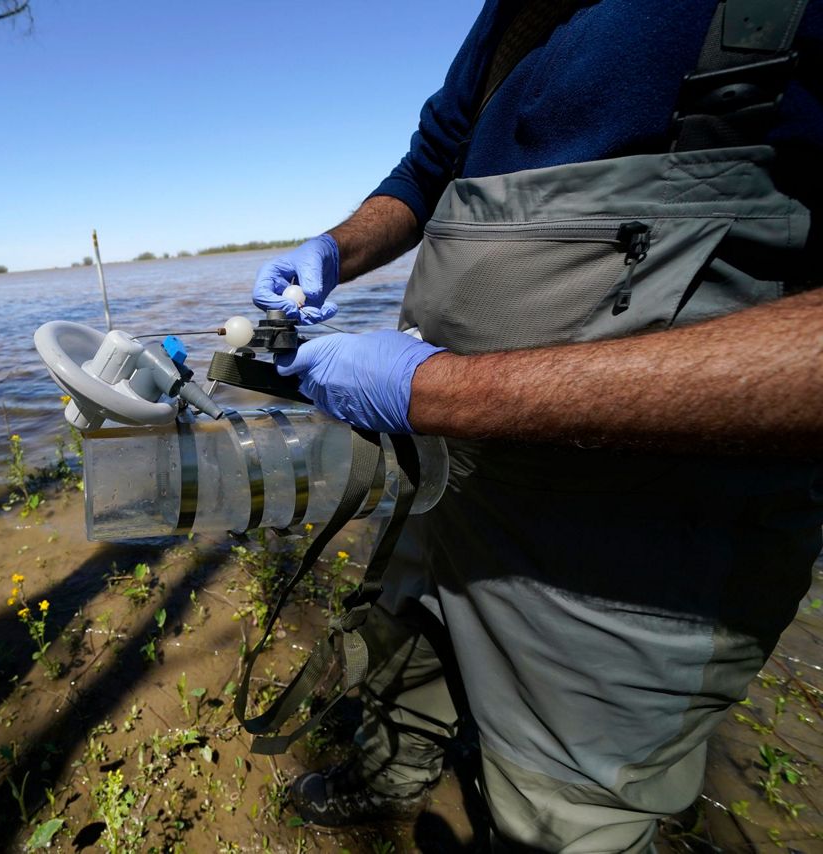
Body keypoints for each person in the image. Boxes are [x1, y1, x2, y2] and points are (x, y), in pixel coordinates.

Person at [251, 1, 823, 850]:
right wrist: (338, 248)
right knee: (408, 635)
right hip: (443, 461)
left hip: (636, 527)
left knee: (565, 805)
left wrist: (438, 393)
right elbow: (429, 164)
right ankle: (393, 774)